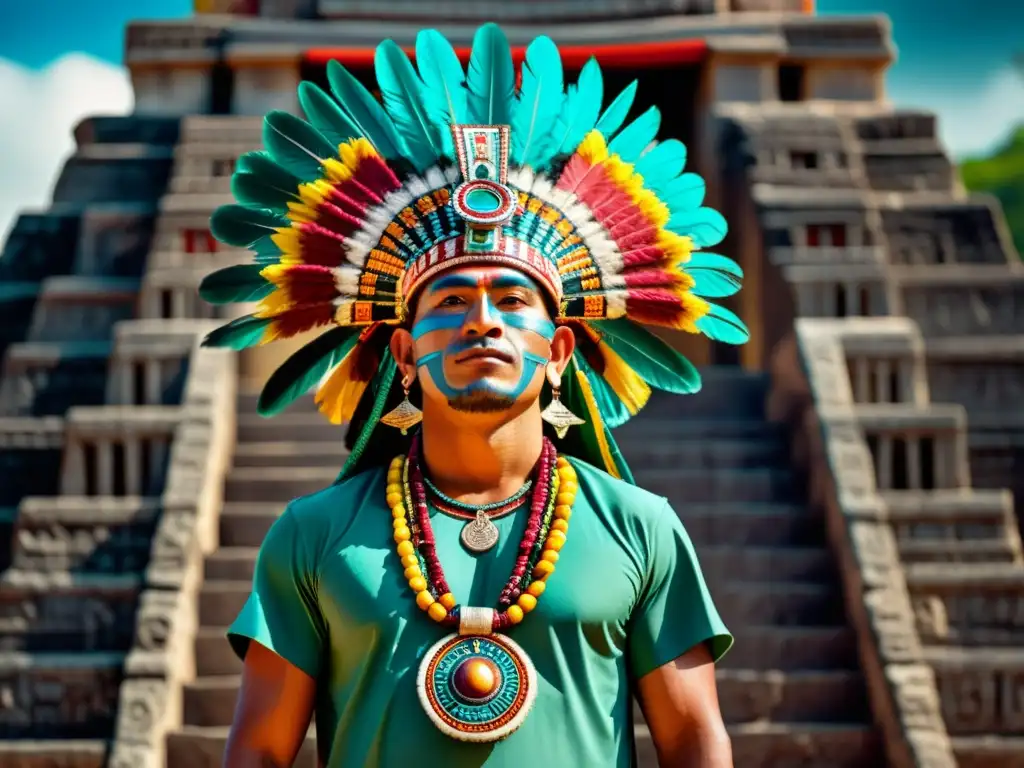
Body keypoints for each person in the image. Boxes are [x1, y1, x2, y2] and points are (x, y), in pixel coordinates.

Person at [199, 22, 748, 768]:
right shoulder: (314, 535)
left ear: (557, 352)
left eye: (512, 302)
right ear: (404, 352)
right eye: (450, 302)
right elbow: (258, 750)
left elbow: (693, 739)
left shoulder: (641, 528)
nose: (482, 321)